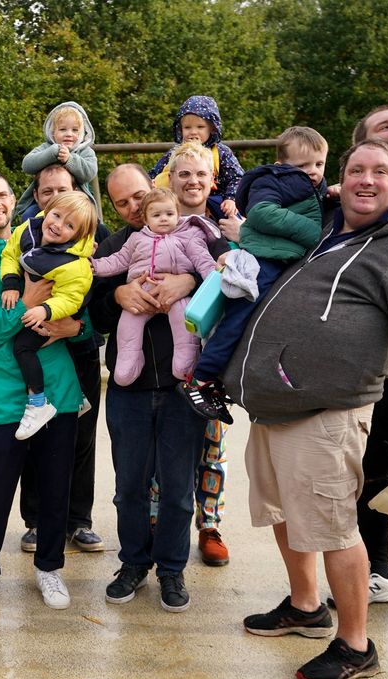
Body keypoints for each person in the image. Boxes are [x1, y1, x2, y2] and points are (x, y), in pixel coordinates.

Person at [223, 138, 388, 679]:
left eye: (380, 172)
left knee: (333, 528)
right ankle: (305, 606)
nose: (366, 180)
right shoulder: (325, 226)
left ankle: (356, 645)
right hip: (274, 406)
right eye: (356, 170)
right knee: (281, 512)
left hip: (327, 413)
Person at [0, 170, 84, 612]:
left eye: (2, 195)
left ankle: (49, 567)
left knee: (55, 488)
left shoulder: (53, 243)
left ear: (14, 199)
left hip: (57, 392)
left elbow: (82, 309)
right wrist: (25, 304)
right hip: (0, 396)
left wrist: (76, 327)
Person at [90, 163, 212, 613]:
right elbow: (93, 310)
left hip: (182, 386)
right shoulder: (117, 245)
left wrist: (191, 280)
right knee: (130, 487)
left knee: (178, 489)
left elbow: (224, 277)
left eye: (138, 196)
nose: (133, 207)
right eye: (121, 202)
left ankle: (172, 569)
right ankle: (133, 563)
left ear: (156, 190)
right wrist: (117, 296)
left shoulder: (193, 234)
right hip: (130, 388)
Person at [180, 126, 328, 420]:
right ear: (281, 165)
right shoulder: (274, 180)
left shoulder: (306, 185)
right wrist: (313, 232)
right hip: (264, 261)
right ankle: (201, 378)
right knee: (239, 318)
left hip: (280, 260)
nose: (312, 171)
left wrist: (330, 191)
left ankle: (219, 381)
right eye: (303, 165)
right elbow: (261, 212)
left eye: (319, 164)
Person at [13, 164, 107, 553]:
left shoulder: (93, 238)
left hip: (78, 350)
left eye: (63, 190)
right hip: (38, 349)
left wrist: (77, 327)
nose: (55, 198)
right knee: (35, 431)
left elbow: (101, 305)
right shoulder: (27, 236)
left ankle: (79, 519)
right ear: (38, 198)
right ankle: (35, 520)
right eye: (47, 192)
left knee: (81, 438)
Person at [163, 143, 235, 565]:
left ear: (212, 180)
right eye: (184, 174)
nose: (192, 181)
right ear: (171, 179)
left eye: (200, 174)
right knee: (164, 448)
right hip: (167, 353)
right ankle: (156, 520)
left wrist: (191, 278)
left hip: (213, 357)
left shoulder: (229, 227)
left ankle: (209, 524)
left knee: (212, 446)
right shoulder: (158, 221)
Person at [347, 106, 388, 604]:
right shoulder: (348, 210)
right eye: (385, 126)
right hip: (372, 375)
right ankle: (375, 570)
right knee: (370, 476)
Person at [91, 187, 219, 386]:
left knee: (183, 321)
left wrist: (209, 278)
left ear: (178, 214)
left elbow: (203, 260)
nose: (164, 219)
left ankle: (185, 362)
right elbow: (118, 260)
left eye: (169, 214)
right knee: (128, 323)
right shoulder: (136, 239)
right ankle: (129, 360)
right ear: (146, 218)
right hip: (143, 293)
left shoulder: (189, 235)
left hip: (176, 297)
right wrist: (95, 266)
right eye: (156, 215)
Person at [0, 192, 95, 438]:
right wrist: (10, 282)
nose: (58, 225)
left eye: (70, 226)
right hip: (38, 302)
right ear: (47, 210)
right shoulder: (27, 230)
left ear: (78, 235)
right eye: (56, 215)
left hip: (60, 309)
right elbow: (10, 253)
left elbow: (71, 299)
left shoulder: (74, 264)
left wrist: (45, 310)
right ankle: (79, 397)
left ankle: (38, 402)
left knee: (23, 347)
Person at [150, 95, 244, 219]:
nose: (193, 132)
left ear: (212, 128)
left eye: (200, 127)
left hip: (216, 202)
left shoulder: (221, 152)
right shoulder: (176, 153)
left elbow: (237, 177)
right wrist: (150, 185)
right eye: (187, 127)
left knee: (231, 214)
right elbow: (154, 173)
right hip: (180, 203)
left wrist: (231, 198)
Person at [14, 101, 99, 221]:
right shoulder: (46, 148)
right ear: (53, 132)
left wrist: (70, 159)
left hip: (77, 204)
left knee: (91, 222)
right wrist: (51, 153)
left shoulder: (85, 152)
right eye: (63, 129)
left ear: (81, 133)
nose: (69, 134)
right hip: (44, 204)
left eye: (75, 130)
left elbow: (90, 173)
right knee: (27, 216)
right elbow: (27, 165)